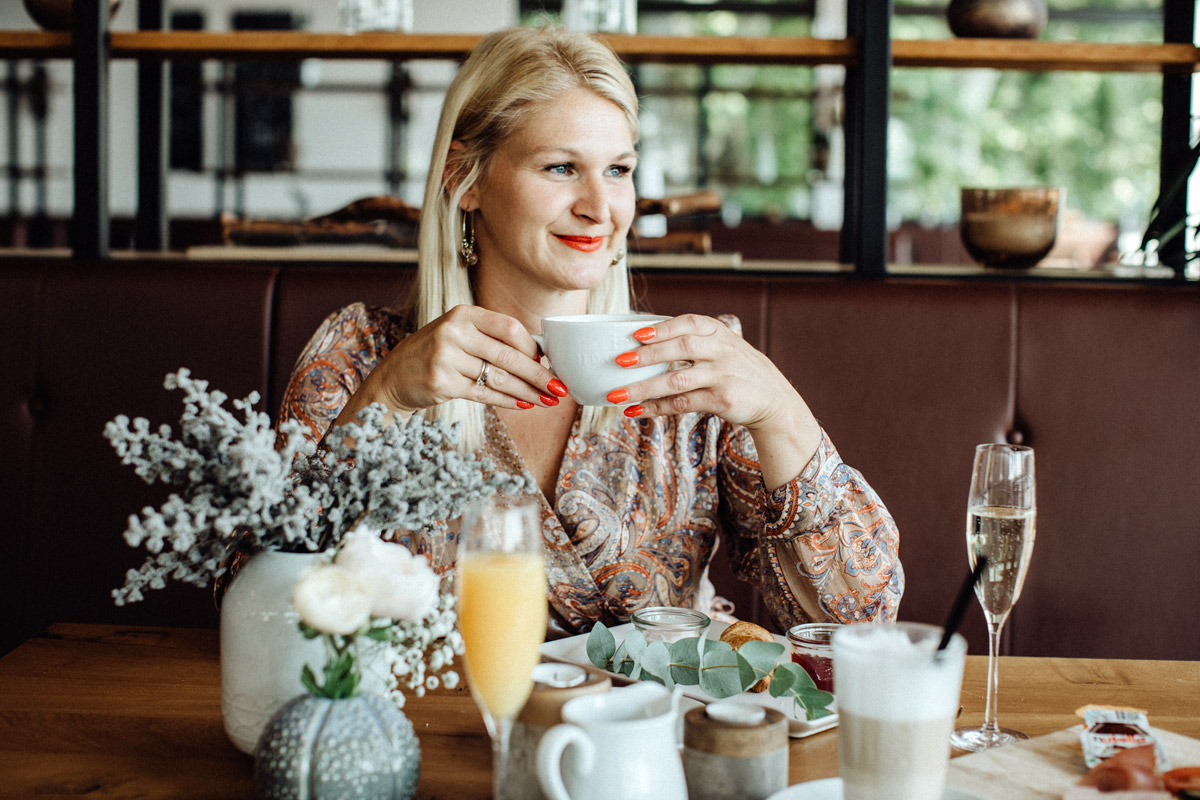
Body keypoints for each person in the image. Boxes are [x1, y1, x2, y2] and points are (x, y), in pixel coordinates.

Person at [278, 25, 902, 637]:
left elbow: (860, 623)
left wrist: (781, 413)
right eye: (559, 168)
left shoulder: (689, 370)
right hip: (427, 737)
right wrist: (382, 399)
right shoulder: (361, 356)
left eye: (618, 170)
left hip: (641, 738)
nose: (600, 209)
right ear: (463, 179)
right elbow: (262, 603)